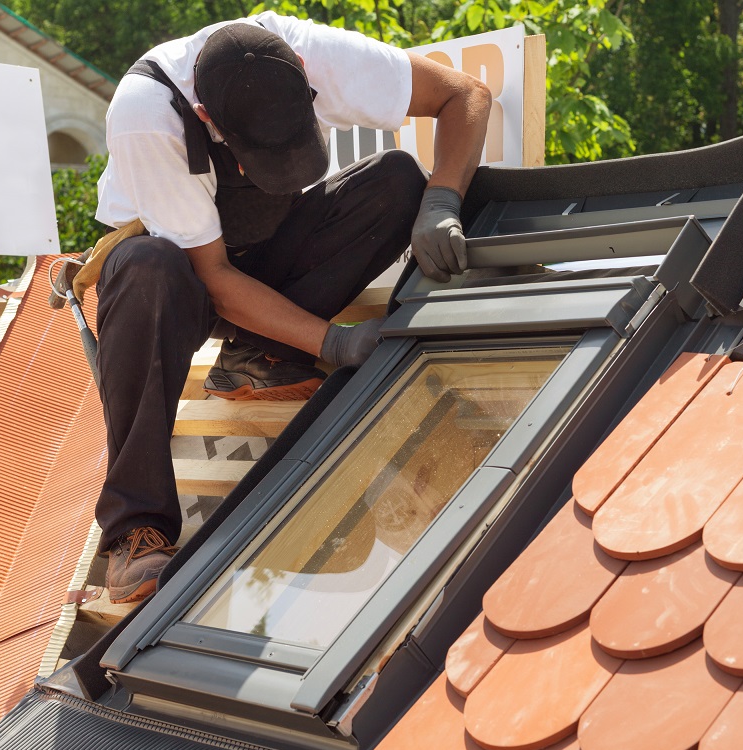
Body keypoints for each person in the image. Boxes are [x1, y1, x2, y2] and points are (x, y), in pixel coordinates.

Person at [90, 14, 491, 603]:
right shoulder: (147, 115)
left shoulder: (308, 51)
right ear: (208, 118)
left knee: (398, 179)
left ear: (304, 76)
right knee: (149, 267)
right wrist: (334, 343)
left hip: (262, 252)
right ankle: (134, 527)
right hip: (182, 285)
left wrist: (442, 199)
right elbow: (216, 276)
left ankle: (259, 356)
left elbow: (465, 94)